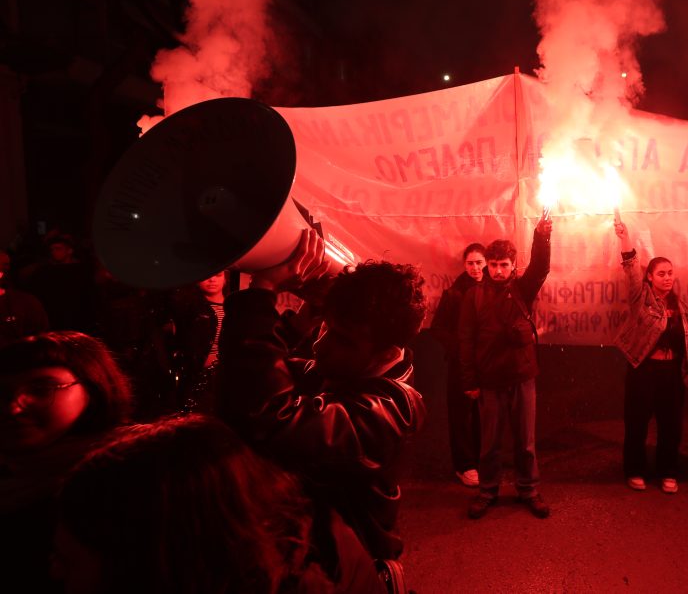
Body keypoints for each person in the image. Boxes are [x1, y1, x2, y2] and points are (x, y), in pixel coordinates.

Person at [217, 230, 427, 564]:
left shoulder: (390, 411)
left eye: (342, 339)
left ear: (385, 353)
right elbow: (250, 381)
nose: (319, 345)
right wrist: (299, 323)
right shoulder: (343, 372)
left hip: (348, 573)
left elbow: (271, 415)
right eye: (325, 327)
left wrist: (264, 291)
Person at [54, 415, 383, 593]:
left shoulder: (308, 573)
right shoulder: (265, 538)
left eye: (68, 562)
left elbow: (271, 412)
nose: (52, 572)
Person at [0, 331, 133, 591]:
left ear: (94, 388)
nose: (12, 407)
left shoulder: (119, 484)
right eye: (2, 392)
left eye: (41, 389)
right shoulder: (12, 471)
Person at [459, 215, 552, 519]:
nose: (498, 271)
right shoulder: (473, 297)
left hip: (522, 377)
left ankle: (528, 490)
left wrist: (541, 237)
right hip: (489, 380)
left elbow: (540, 268)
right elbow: (466, 341)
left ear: (513, 266)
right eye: (493, 265)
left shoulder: (523, 290)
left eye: (504, 265)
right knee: (489, 444)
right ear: (487, 265)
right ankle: (488, 491)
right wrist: (470, 381)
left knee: (525, 442)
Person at [613, 219, 688, 493]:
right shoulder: (640, 298)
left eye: (670, 273)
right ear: (650, 278)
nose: (667, 277)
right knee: (637, 423)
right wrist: (625, 238)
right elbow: (630, 269)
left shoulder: (684, 309)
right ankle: (635, 471)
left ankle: (668, 471)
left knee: (671, 426)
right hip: (643, 371)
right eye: (661, 273)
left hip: (671, 375)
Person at [430, 243, 486, 487]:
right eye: (470, 263)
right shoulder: (454, 293)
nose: (475, 268)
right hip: (460, 364)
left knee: (484, 413)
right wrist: (461, 349)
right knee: (461, 415)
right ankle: (465, 465)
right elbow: (438, 328)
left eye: (479, 262)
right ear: (464, 265)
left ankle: (481, 460)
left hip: (485, 363)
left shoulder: (492, 289)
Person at [168, 270, 229, 413]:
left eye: (218, 275)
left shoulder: (233, 308)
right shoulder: (189, 308)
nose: (212, 280)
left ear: (225, 278)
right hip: (196, 375)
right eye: (206, 276)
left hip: (224, 376)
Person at [0, 250, 49, 348]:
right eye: (4, 264)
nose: (6, 268)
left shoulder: (25, 303)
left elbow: (40, 340)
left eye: (6, 264)